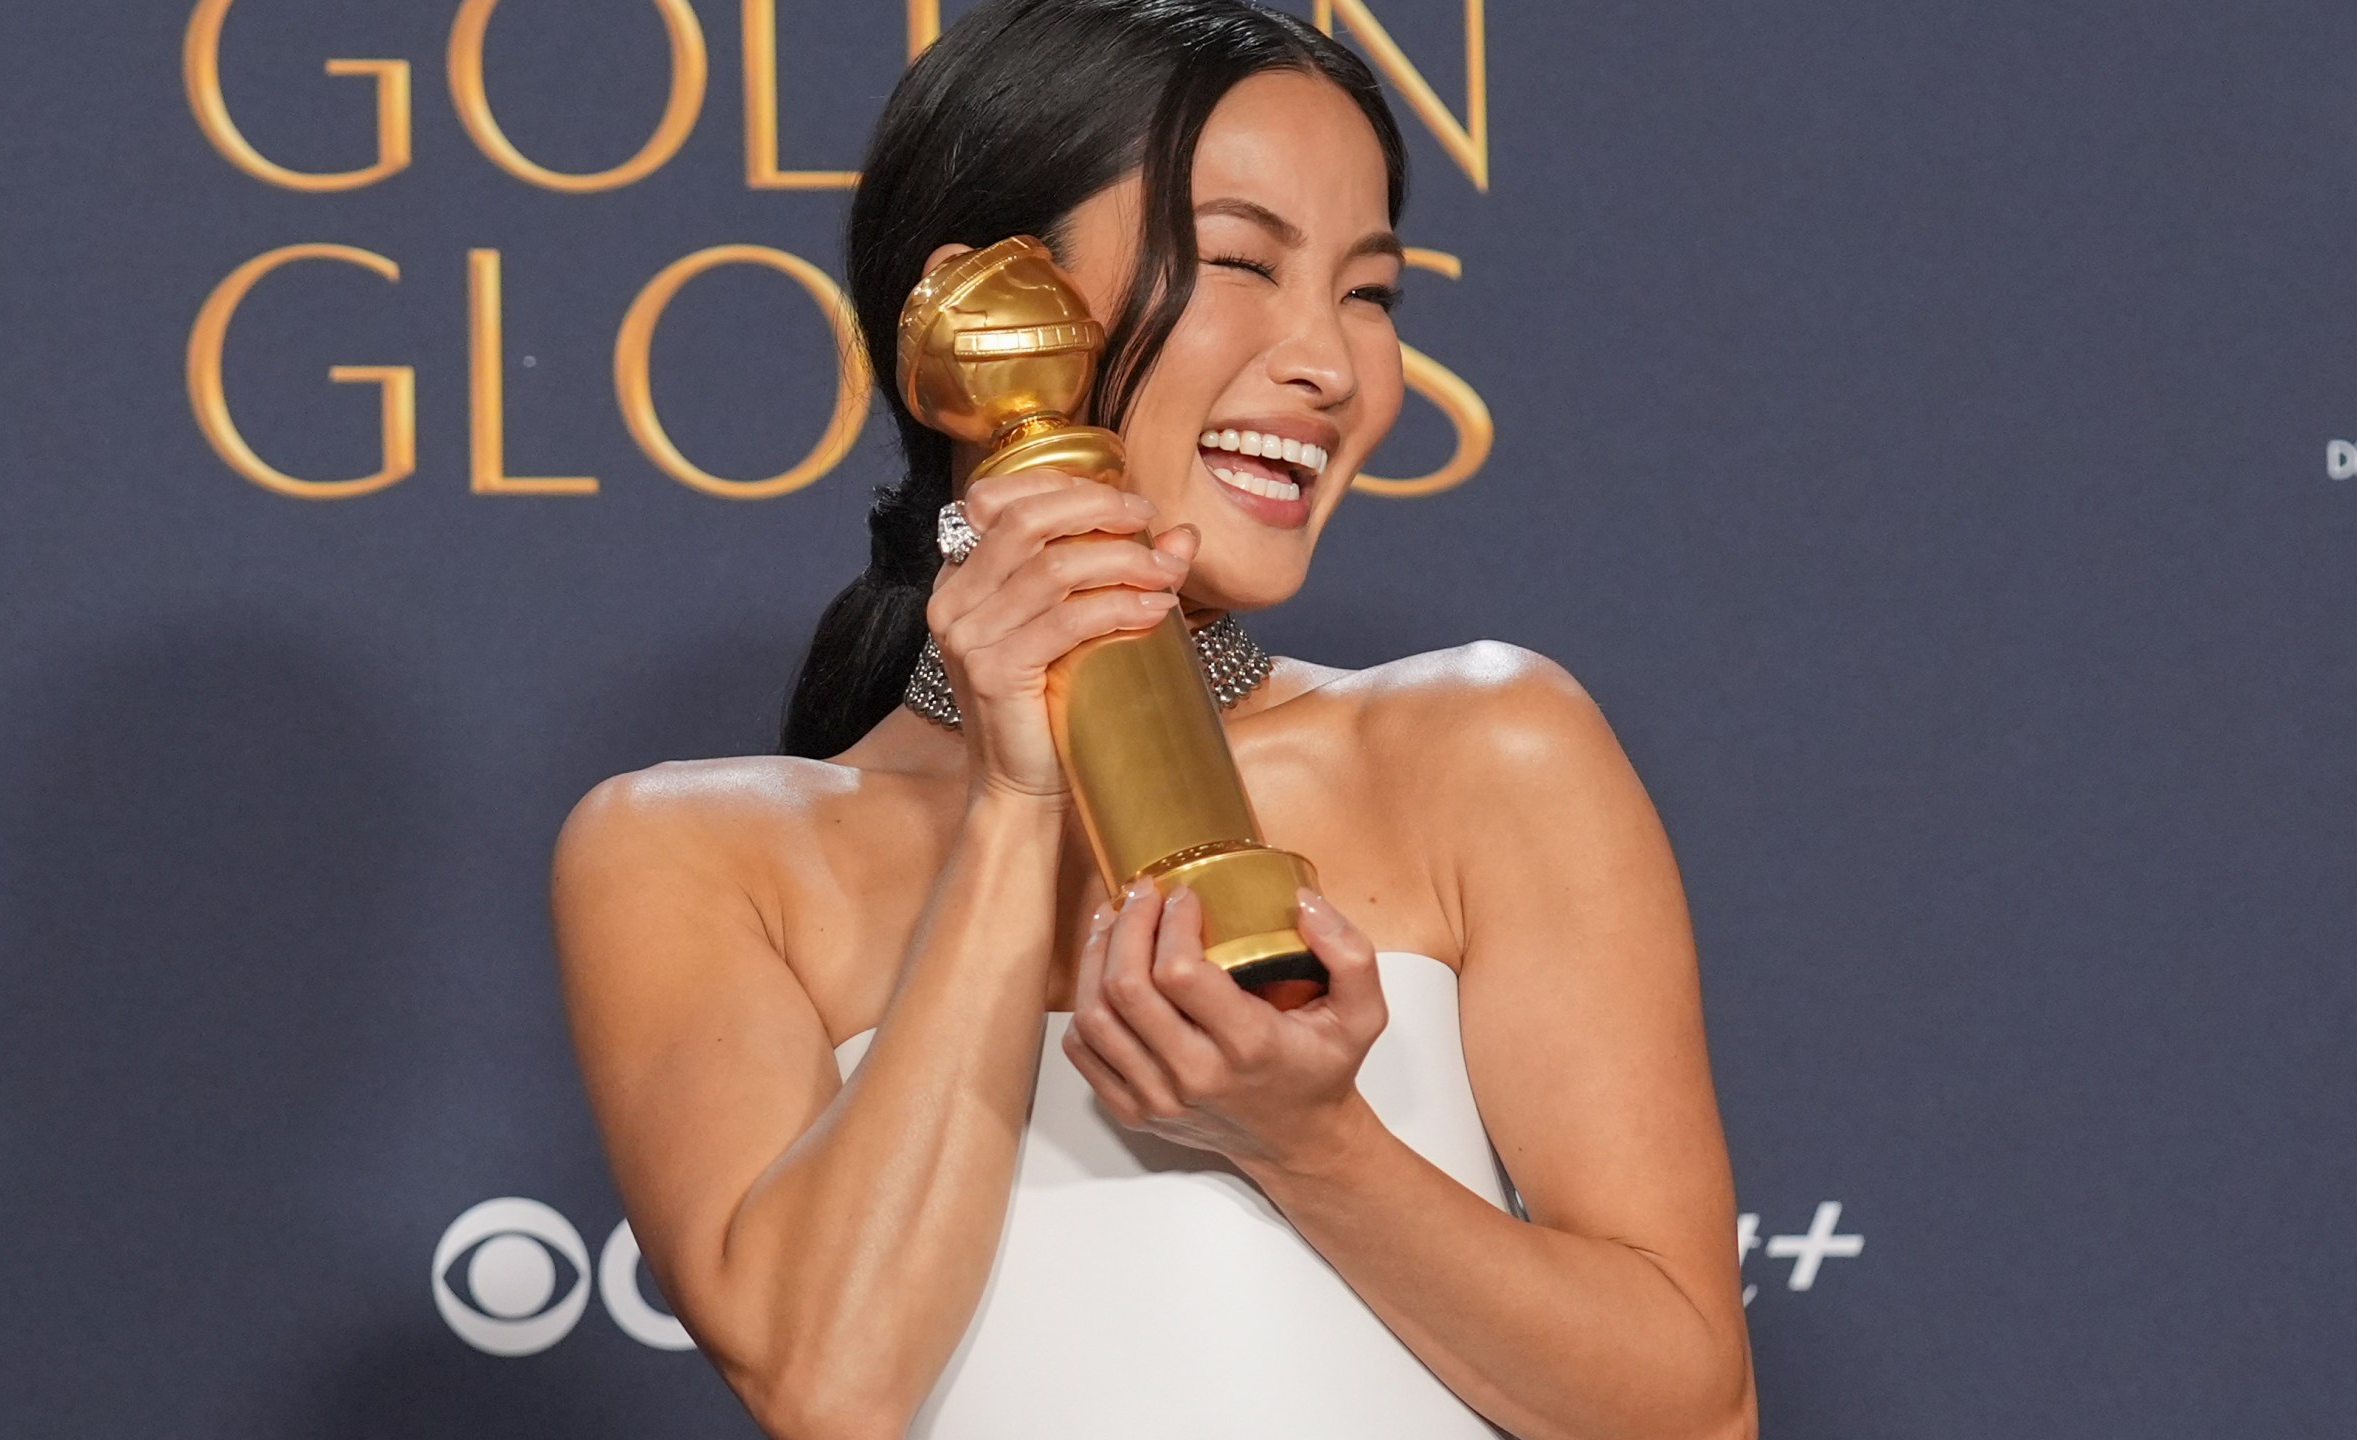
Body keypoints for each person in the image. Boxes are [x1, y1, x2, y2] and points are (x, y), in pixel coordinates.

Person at [551, 2, 1756, 1436]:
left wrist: (1312, 1147)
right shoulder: (691, 858)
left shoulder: (1489, 749)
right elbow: (831, 1380)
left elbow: (1691, 1414)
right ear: (986, 313)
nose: (1332, 364)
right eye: (1243, 262)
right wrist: (1017, 802)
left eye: (1369, 293)